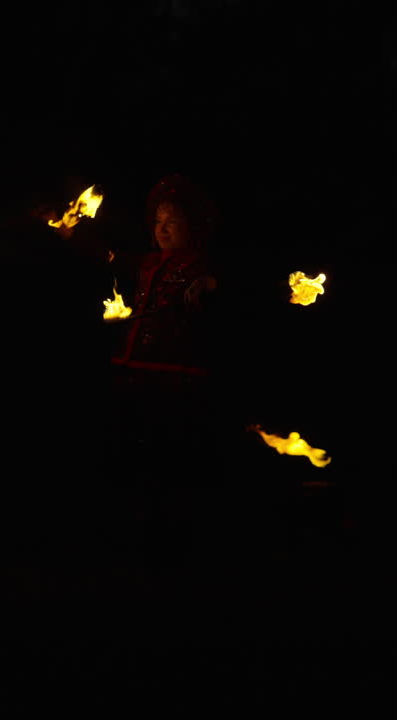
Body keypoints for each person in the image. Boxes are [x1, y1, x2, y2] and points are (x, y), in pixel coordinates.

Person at [105, 174, 228, 570]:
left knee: (170, 464)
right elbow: (108, 256)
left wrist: (209, 284)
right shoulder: (147, 263)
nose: (162, 228)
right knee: (132, 462)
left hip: (174, 379)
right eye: (158, 220)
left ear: (192, 226)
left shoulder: (201, 264)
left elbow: (228, 284)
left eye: (172, 220)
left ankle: (173, 548)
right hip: (132, 373)